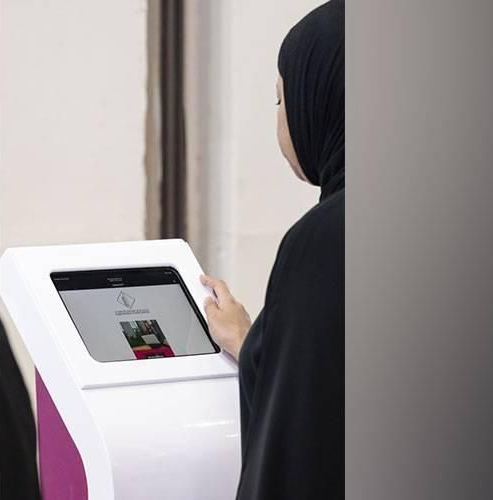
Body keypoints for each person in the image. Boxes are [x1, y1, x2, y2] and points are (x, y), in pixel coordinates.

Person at [201, 2, 344, 498]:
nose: (281, 118)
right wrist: (258, 344)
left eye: (281, 99)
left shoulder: (324, 243)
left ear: (320, 99)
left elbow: (299, 451)